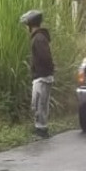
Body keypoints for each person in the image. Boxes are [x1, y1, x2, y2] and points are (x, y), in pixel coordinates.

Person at [20, 9, 54, 138]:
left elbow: (45, 57)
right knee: (41, 103)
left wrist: (43, 72)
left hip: (42, 76)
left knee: (38, 103)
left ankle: (41, 129)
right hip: (43, 75)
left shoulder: (38, 38)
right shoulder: (40, 37)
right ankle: (41, 128)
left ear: (30, 24)